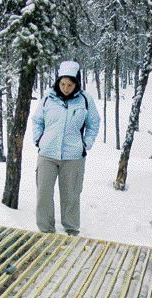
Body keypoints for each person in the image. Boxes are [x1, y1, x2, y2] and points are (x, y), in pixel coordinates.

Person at [32, 60, 100, 236]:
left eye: (70, 84)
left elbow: (94, 123)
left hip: (73, 156)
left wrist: (86, 144)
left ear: (76, 83)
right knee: (44, 194)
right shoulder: (48, 98)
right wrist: (39, 139)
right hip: (47, 154)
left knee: (71, 195)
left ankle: (71, 228)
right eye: (62, 83)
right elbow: (37, 120)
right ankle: (46, 230)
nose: (66, 87)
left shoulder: (85, 99)